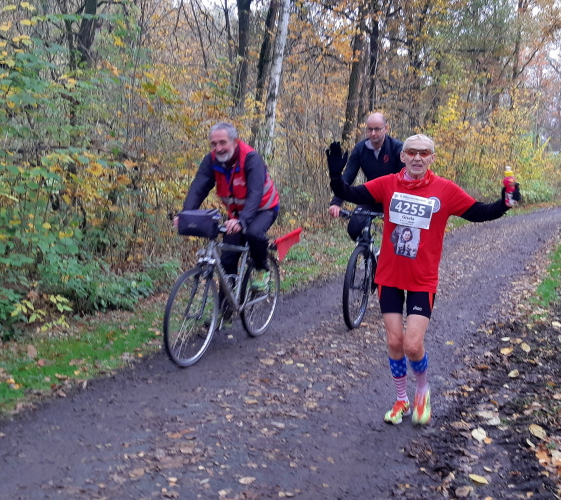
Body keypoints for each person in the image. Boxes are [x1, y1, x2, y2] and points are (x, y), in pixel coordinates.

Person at [326, 134, 520, 426]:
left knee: (413, 345)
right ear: (402, 156)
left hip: (422, 279)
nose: (418, 157)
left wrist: (505, 202)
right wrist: (334, 176)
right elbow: (349, 192)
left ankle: (422, 391)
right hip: (389, 276)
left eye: (424, 153)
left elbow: (480, 212)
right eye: (412, 152)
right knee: (395, 341)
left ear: (432, 158)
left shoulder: (445, 190)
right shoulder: (388, 184)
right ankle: (401, 399)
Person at [178, 122, 280, 317]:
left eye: (222, 142)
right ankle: (223, 315)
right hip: (236, 214)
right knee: (227, 261)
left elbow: (255, 193)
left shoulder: (250, 158)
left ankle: (262, 269)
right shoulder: (211, 160)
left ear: (235, 141)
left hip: (264, 209)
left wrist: (242, 221)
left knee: (253, 233)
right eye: (213, 144)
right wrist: (185, 215)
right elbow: (199, 187)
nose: (218, 148)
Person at [328, 112, 404, 241]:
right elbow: (348, 176)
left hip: (395, 199)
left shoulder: (397, 148)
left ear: (386, 128)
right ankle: (367, 249)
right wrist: (336, 202)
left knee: (397, 238)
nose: (373, 133)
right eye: (370, 129)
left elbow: (405, 179)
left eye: (377, 129)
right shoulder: (360, 148)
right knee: (354, 229)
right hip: (372, 196)